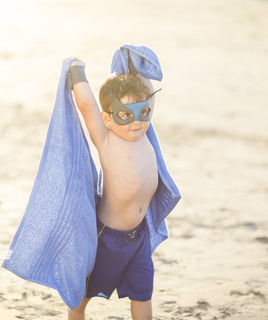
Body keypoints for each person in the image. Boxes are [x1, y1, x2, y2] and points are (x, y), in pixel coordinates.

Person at [67, 58, 160, 320]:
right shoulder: (107, 141)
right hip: (108, 238)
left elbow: (148, 93)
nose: (136, 122)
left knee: (143, 292)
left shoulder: (143, 132)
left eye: (143, 112)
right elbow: (87, 107)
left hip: (138, 235)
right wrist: (76, 71)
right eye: (125, 114)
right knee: (82, 296)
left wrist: (133, 61)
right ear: (107, 120)